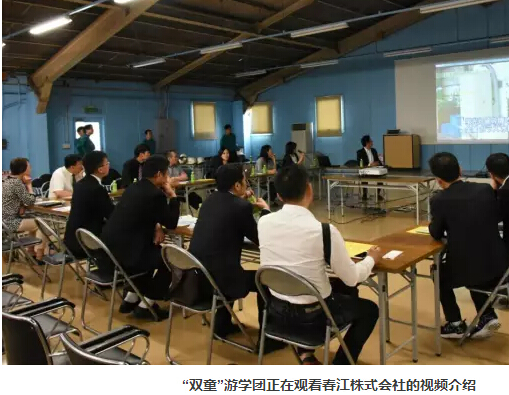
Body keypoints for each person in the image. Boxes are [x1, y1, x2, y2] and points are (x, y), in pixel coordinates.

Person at [259, 164, 382, 365]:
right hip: (314, 317)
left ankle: (306, 354)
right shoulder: (324, 231)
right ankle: (340, 366)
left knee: (338, 288)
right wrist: (371, 259)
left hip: (277, 311)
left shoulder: (263, 223)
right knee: (369, 309)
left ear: (279, 196)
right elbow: (352, 278)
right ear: (310, 189)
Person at [189, 164, 283, 351]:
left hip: (199, 278)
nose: (247, 184)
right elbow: (260, 238)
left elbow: (229, 213)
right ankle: (268, 339)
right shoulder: (240, 207)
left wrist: (243, 203)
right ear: (237, 185)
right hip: (222, 280)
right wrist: (265, 211)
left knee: (223, 266)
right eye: (245, 180)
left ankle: (221, 325)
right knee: (264, 281)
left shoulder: (209, 201)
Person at [428, 153, 507, 339]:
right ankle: (487, 314)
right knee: (473, 256)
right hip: (500, 263)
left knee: (438, 272)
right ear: (460, 170)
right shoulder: (484, 189)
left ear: (438, 180)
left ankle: (455, 323)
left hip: (473, 269)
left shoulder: (439, 200)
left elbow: (436, 233)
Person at [101, 155, 180, 321]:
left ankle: (131, 298)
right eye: (166, 174)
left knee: (153, 251)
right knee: (171, 259)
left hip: (111, 250)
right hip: (129, 253)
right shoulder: (155, 194)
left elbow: (143, 213)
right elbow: (172, 223)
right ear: (159, 174)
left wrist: (156, 226)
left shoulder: (133, 188)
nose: (168, 178)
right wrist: (173, 196)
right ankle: (147, 305)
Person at [63, 151, 115, 259]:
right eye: (107, 163)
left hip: (72, 240)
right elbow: (112, 215)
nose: (109, 165)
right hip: (88, 243)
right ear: (100, 169)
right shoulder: (97, 189)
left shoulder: (79, 185)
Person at [2, 158, 45, 259]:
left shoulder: (6, 180)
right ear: (23, 169)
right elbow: (30, 201)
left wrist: (21, 205)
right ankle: (40, 255)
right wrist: (29, 185)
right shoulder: (16, 183)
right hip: (11, 222)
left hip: (4, 221)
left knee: (33, 222)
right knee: (41, 224)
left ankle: (31, 251)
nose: (31, 168)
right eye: (29, 167)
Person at [357, 135, 383, 201]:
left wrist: (378, 163)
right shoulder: (360, 152)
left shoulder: (374, 150)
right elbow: (360, 164)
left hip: (375, 170)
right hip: (365, 170)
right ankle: (364, 194)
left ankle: (378, 194)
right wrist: (370, 165)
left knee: (381, 176)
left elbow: (378, 161)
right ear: (367, 143)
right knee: (364, 177)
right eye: (371, 141)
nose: (372, 142)